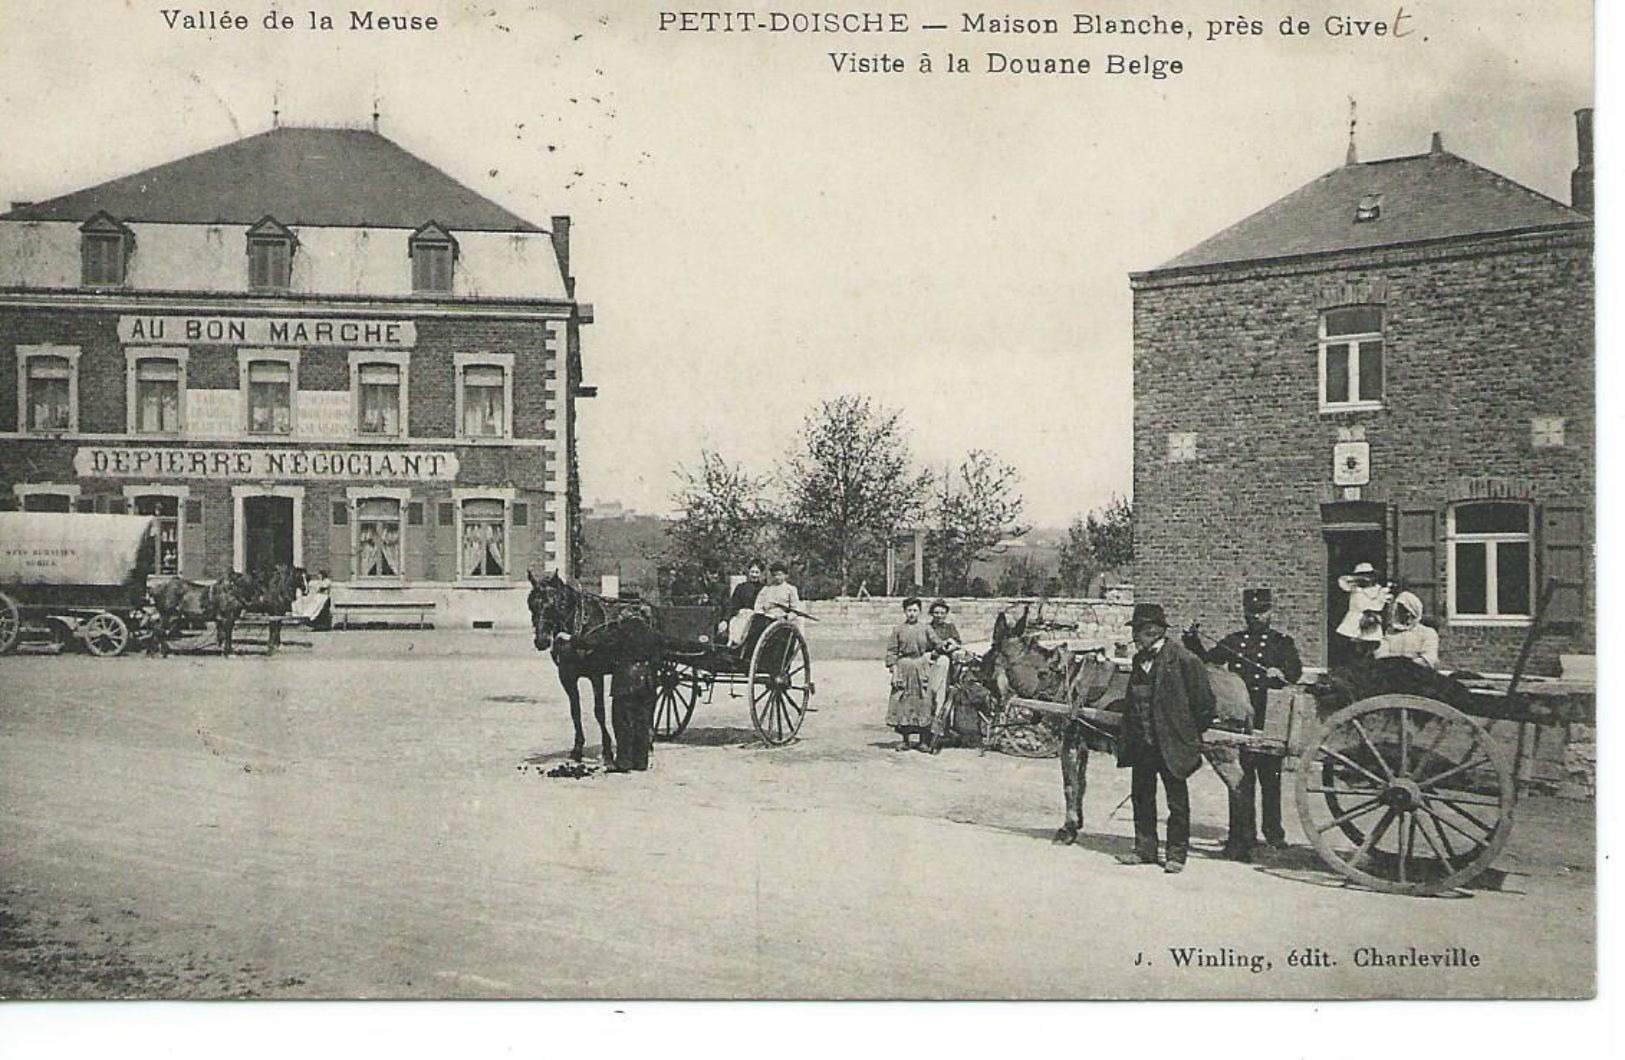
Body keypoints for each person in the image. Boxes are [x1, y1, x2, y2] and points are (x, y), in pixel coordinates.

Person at [1183, 588, 1302, 860]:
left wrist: (1281, 673)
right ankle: (1242, 834)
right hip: (1239, 721)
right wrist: (1192, 639)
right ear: (1245, 613)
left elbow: (1295, 671)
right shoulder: (1235, 641)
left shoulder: (1282, 643)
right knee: (1241, 781)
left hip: (1269, 718)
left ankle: (1274, 834)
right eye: (1252, 612)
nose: (1257, 617)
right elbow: (1206, 661)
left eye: (1262, 611)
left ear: (1271, 611)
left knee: (1270, 781)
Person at [1115, 603, 1216, 873]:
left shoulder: (1185, 660)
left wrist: (1186, 733)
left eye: (1140, 631)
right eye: (1135, 631)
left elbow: (1204, 705)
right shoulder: (1139, 660)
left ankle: (1176, 855)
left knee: (1176, 801)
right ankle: (1145, 849)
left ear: (1156, 631)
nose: (1136, 637)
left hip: (1172, 743)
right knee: (1142, 796)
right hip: (1143, 744)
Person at [885, 597, 935, 751]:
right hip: (904, 667)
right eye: (909, 610)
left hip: (921, 667)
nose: (912, 613)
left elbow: (937, 643)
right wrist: (894, 671)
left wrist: (948, 645)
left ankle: (923, 741)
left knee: (923, 702)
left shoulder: (926, 628)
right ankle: (905, 740)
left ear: (919, 612)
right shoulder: (898, 630)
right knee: (903, 703)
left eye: (915, 610)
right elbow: (891, 651)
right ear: (904, 611)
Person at [924, 599, 963, 751]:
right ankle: (927, 732)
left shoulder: (950, 627)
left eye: (942, 613)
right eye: (936, 613)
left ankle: (942, 732)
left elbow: (958, 643)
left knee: (944, 699)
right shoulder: (927, 628)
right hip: (931, 665)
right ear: (932, 614)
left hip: (947, 669)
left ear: (946, 614)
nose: (939, 615)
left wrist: (952, 644)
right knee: (930, 697)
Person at [1335, 561, 1392, 657]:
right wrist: (1358, 579)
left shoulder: (1379, 590)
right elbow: (1342, 580)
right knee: (1354, 647)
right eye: (1361, 575)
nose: (1365, 578)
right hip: (1354, 619)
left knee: (1371, 646)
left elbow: (1381, 604)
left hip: (1371, 619)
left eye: (1368, 575)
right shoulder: (1354, 588)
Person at [1376, 591, 1440, 669]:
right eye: (1403, 611)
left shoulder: (1428, 633)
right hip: (1393, 673)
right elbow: (1382, 655)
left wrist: (1406, 666)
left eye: (1410, 611)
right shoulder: (1390, 633)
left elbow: (1429, 658)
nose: (1408, 615)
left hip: (1419, 673)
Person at [722, 560, 767, 646]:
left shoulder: (764, 588)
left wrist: (754, 612)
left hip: (756, 616)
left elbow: (764, 605)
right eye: (752, 572)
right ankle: (733, 643)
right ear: (748, 572)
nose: (754, 575)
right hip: (741, 615)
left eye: (757, 572)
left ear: (761, 574)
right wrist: (738, 611)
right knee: (734, 622)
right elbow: (733, 603)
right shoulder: (741, 587)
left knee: (748, 623)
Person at [753, 561, 803, 628]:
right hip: (766, 618)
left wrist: (787, 618)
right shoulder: (766, 589)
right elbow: (758, 605)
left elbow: (795, 609)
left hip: (783, 621)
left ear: (786, 575)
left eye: (779, 575)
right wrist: (762, 613)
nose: (776, 577)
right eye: (774, 575)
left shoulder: (791, 589)